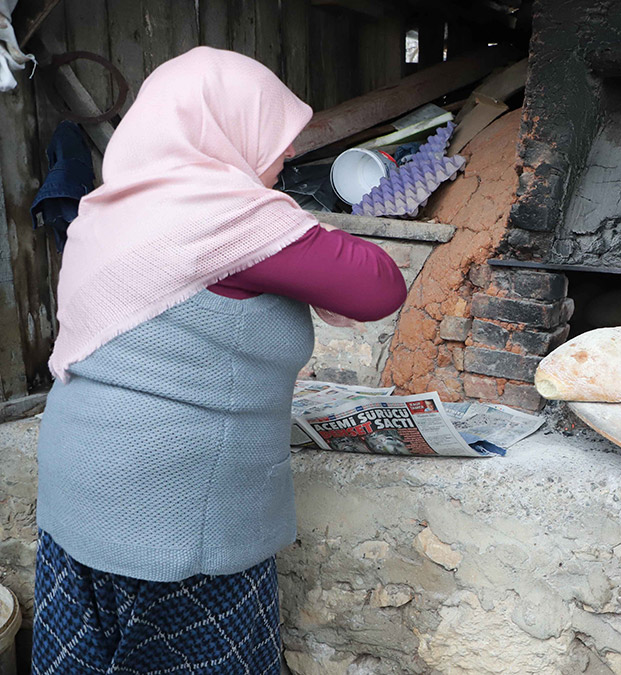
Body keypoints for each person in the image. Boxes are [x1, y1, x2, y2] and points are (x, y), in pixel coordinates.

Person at [32, 47, 407, 673]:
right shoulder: (224, 221)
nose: (287, 155)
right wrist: (289, 222)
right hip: (173, 517)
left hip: (76, 494)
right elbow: (378, 287)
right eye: (275, 136)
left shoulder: (106, 214)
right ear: (221, 129)